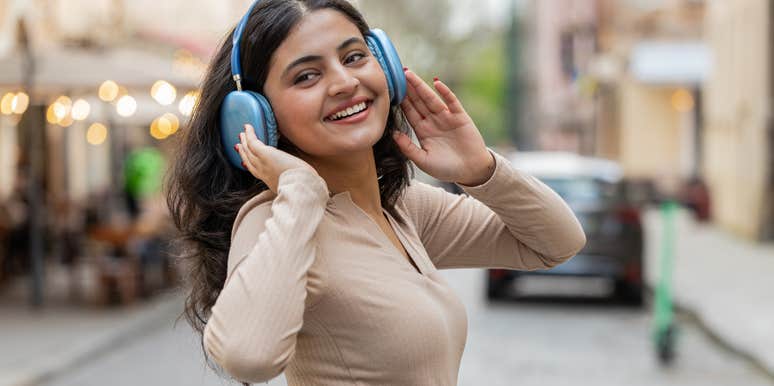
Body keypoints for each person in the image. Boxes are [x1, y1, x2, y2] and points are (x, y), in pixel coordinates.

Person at [166, 0, 586, 385]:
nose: (345, 82)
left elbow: (556, 242)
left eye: (354, 57)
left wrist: (481, 170)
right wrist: (301, 193)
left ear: (385, 67)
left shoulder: (402, 208)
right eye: (307, 75)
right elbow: (247, 357)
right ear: (256, 115)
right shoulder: (276, 219)